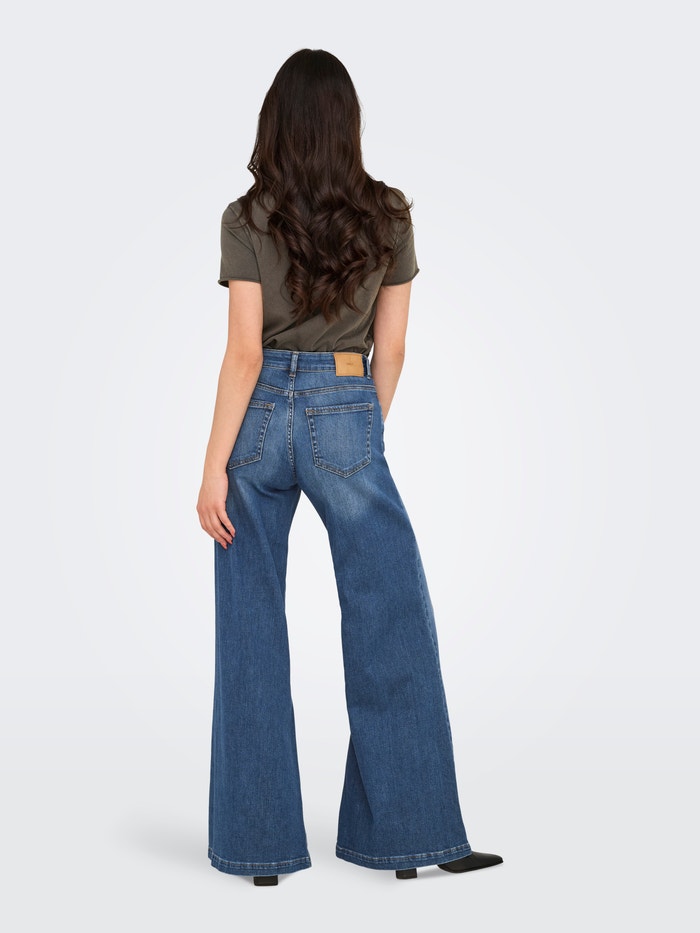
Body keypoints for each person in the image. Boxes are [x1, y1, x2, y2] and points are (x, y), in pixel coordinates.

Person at [196, 48, 503, 886]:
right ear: (348, 125)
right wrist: (358, 426)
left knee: (249, 629)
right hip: (346, 403)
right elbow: (391, 349)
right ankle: (416, 838)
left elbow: (243, 353)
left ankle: (259, 849)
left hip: (259, 418)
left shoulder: (245, 217)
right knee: (389, 616)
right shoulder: (389, 215)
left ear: (276, 123)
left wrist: (214, 467)